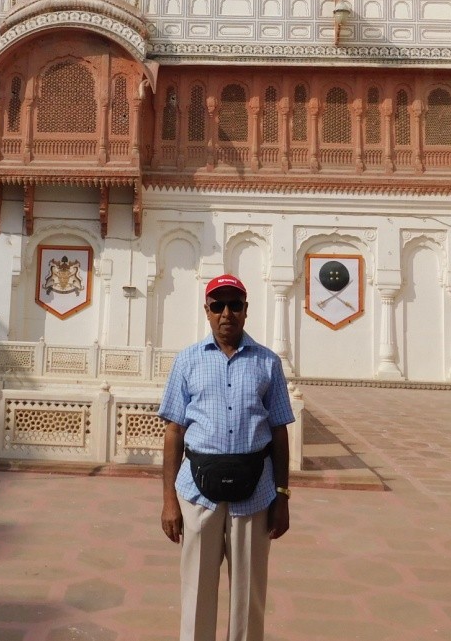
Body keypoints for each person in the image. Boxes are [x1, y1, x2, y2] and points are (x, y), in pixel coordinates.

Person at [159, 273, 295, 641]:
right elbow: (174, 431)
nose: (226, 313)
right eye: (217, 305)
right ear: (207, 311)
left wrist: (282, 497)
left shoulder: (267, 362)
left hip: (255, 492)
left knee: (249, 596)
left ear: (246, 310)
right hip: (197, 491)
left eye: (234, 305)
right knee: (196, 591)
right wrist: (169, 500)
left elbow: (279, 431)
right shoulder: (187, 361)